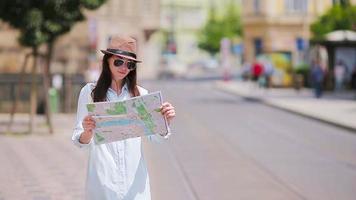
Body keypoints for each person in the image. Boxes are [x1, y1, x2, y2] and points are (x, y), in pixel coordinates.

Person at [72, 35, 176, 200]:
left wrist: (164, 121)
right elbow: (79, 141)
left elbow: (155, 138)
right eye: (119, 61)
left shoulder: (141, 95)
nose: (124, 68)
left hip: (134, 183)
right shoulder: (89, 92)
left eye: (130, 64)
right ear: (107, 60)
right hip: (103, 179)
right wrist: (87, 132)